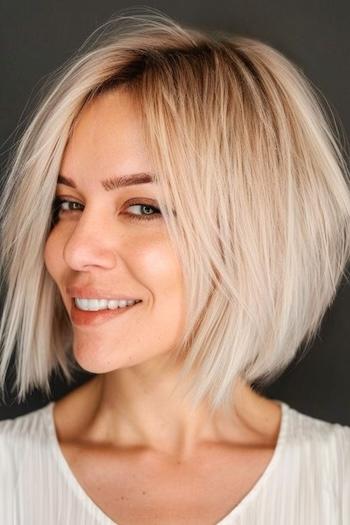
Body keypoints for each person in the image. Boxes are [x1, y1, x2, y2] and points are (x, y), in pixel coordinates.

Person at [0, 9, 349, 525]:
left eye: (143, 208)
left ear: (254, 232)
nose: (74, 251)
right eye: (67, 204)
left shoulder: (337, 481)